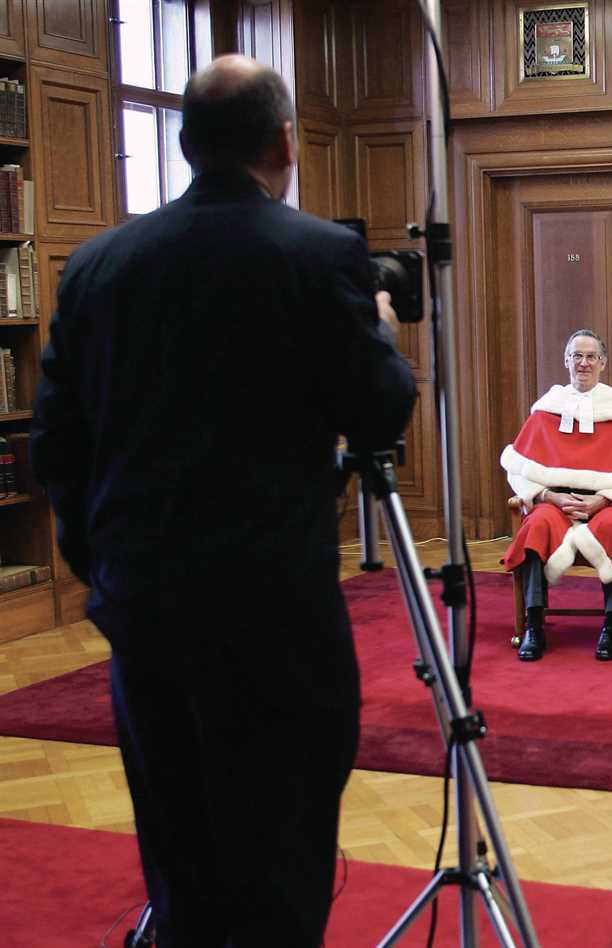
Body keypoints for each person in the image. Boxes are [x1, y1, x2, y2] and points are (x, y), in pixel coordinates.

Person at [29, 55, 417, 946]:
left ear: (184, 142)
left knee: (177, 832)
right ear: (285, 141)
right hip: (271, 608)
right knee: (279, 842)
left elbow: (56, 446)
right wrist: (383, 339)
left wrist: (108, 569)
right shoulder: (319, 253)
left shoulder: (96, 266)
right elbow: (377, 410)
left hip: (146, 605)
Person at [501, 330, 612, 662]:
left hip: (605, 501)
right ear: (566, 361)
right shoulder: (548, 408)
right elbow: (520, 467)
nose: (583, 363)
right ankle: (534, 623)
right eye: (577, 356)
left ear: (603, 363)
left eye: (590, 357)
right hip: (555, 501)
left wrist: (606, 498)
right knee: (536, 527)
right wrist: (547, 496)